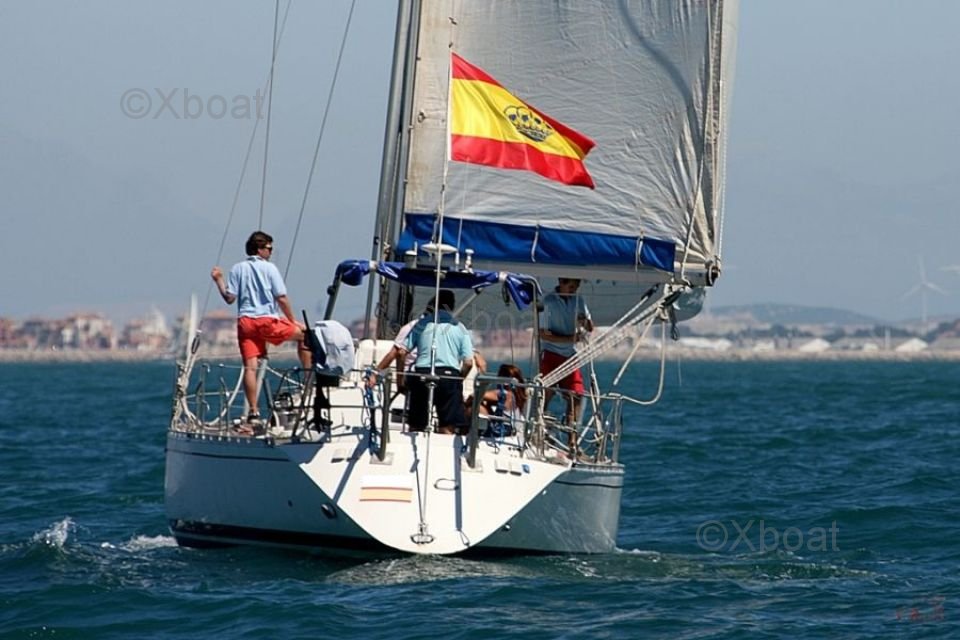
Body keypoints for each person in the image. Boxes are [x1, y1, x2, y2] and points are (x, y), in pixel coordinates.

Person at [211, 231, 311, 427]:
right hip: (266, 321)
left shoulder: (237, 268)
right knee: (306, 336)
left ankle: (254, 412)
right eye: (269, 248)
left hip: (245, 323)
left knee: (250, 367)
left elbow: (229, 298)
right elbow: (281, 297)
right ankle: (309, 382)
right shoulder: (270, 268)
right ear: (259, 249)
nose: (271, 252)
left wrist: (219, 280)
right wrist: (293, 321)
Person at [399, 289, 474, 435]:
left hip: (422, 373)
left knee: (416, 426)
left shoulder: (422, 324)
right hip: (449, 376)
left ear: (434, 303)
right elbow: (468, 362)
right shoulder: (460, 328)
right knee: (447, 426)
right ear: (452, 306)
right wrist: (459, 379)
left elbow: (402, 352)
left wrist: (400, 379)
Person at [539, 277, 594, 430]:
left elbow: (590, 327)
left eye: (576, 287)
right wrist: (569, 338)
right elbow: (543, 333)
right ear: (561, 282)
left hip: (570, 356)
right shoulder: (548, 301)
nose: (573, 290)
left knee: (576, 395)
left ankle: (572, 438)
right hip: (551, 353)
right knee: (546, 392)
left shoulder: (578, 300)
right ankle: (539, 429)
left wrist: (584, 322)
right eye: (571, 287)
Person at [465, 363, 526, 436]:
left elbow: (475, 395)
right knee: (482, 404)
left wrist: (465, 404)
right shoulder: (515, 395)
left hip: (502, 430)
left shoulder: (504, 393)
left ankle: (463, 428)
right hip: (511, 429)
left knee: (474, 407)